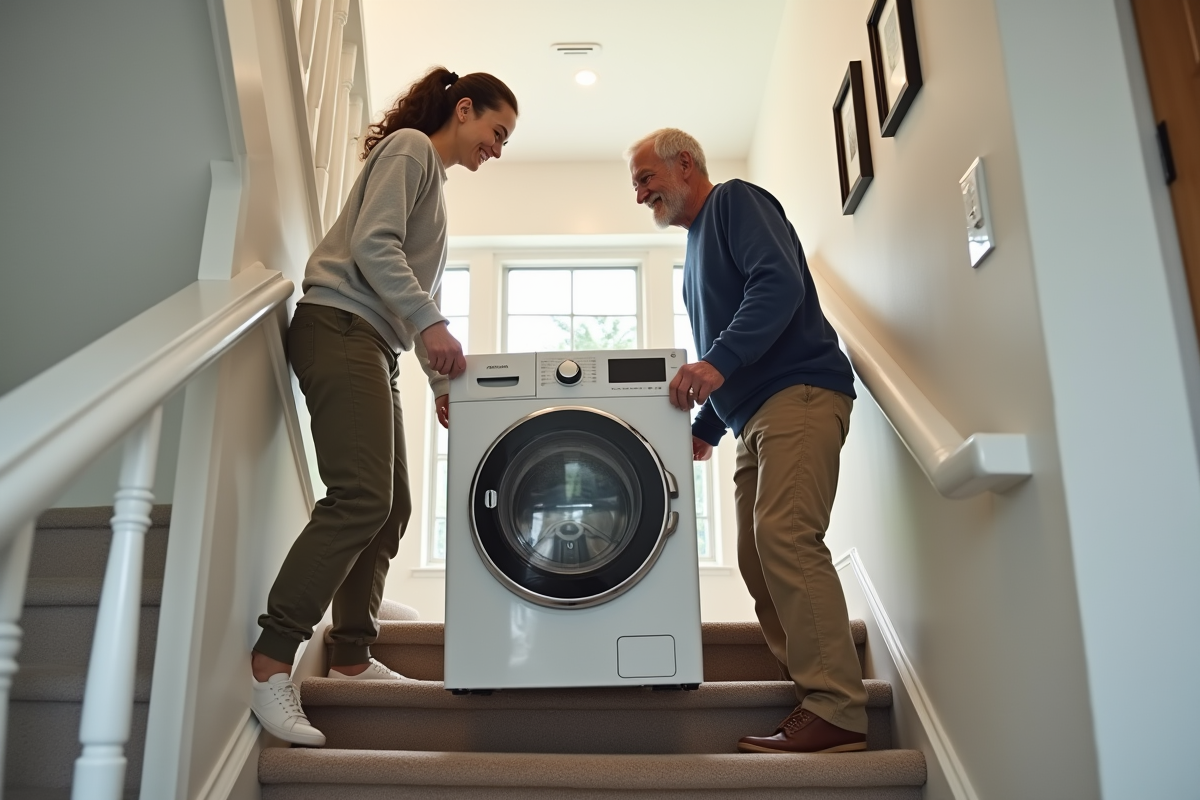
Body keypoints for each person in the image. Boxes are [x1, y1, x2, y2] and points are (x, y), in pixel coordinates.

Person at [249, 67, 518, 747]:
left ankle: (350, 655)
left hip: (373, 341)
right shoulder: (412, 148)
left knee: (391, 506)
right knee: (362, 496)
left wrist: (439, 383)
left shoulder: (431, 180)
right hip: (340, 325)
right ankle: (272, 660)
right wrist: (433, 325)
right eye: (496, 132)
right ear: (463, 109)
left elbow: (411, 291)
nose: (497, 149)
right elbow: (374, 245)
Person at [626, 129, 868, 754]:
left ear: (685, 164)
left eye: (646, 179)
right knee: (756, 556)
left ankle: (837, 706)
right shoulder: (694, 252)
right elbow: (733, 343)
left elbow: (778, 285)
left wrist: (716, 364)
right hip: (750, 416)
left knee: (786, 536)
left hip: (799, 394)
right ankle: (811, 695)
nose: (640, 194)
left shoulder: (734, 201)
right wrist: (706, 427)